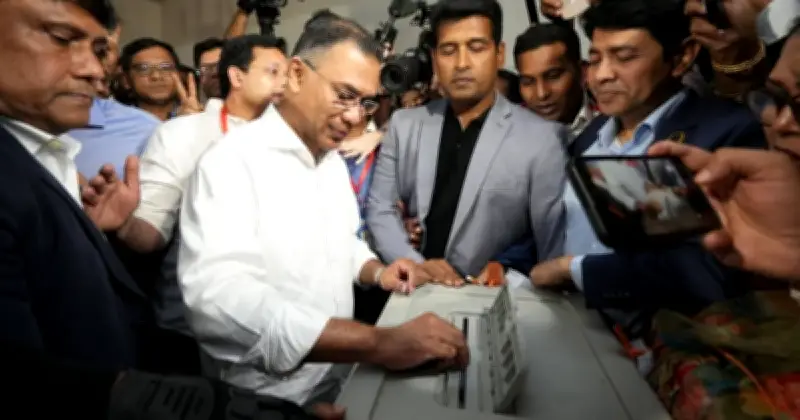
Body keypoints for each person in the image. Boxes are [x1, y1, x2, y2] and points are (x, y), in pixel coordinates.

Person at [0, 1, 342, 419]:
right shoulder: (185, 136)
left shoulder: (48, 154)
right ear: (236, 77)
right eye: (60, 39)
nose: (93, 70)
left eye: (99, 51)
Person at [178, 17, 469, 407]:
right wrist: (376, 342)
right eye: (344, 95)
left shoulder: (329, 161)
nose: (356, 117)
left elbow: (341, 243)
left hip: (340, 376)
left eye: (366, 102)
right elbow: (219, 302)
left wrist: (378, 271)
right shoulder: (229, 164)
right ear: (297, 75)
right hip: (268, 399)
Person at [530, 0, 766, 316]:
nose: (601, 75)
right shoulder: (590, 134)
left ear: (682, 57)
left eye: (625, 57)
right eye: (595, 59)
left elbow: (710, 269)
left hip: (658, 335)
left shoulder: (723, 137)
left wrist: (575, 271)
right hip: (567, 321)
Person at [367, 0, 567, 285]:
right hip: (408, 292)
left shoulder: (542, 139)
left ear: (499, 54)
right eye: (449, 50)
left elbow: (551, 247)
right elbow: (380, 209)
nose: (462, 63)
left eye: (476, 48)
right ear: (434, 58)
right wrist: (417, 267)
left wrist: (509, 275)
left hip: (492, 299)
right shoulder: (405, 125)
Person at [113, 34, 287, 359]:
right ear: (237, 76)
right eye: (273, 72)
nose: (285, 83)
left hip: (282, 326)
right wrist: (123, 222)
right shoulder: (181, 135)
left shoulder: (294, 139)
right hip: (195, 334)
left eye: (289, 74)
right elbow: (150, 234)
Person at [513, 23, 594, 140]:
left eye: (553, 76)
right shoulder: (511, 135)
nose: (541, 94)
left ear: (582, 72)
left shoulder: (613, 116)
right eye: (528, 82)